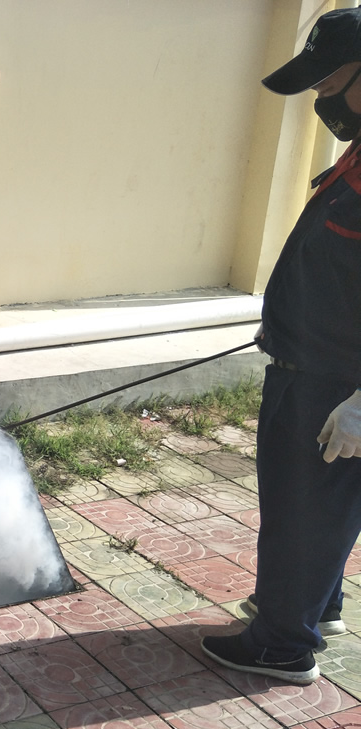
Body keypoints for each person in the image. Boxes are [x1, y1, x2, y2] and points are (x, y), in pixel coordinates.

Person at [201, 7, 361, 685]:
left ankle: (281, 646)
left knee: (304, 511)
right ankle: (314, 607)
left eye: (328, 78)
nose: (320, 94)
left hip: (335, 383)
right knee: (318, 508)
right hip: (311, 366)